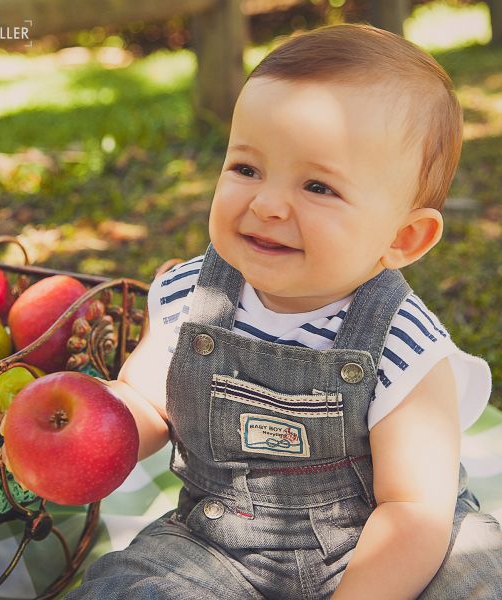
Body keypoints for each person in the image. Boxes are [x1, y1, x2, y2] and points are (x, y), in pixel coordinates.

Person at [66, 23, 502, 599]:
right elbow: (147, 400)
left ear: (404, 237)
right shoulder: (191, 296)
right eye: (246, 169)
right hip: (219, 549)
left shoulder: (405, 343)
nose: (267, 204)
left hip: (388, 554)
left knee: (479, 576)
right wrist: (85, 430)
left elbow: (414, 511)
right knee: (131, 589)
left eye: (318, 187)